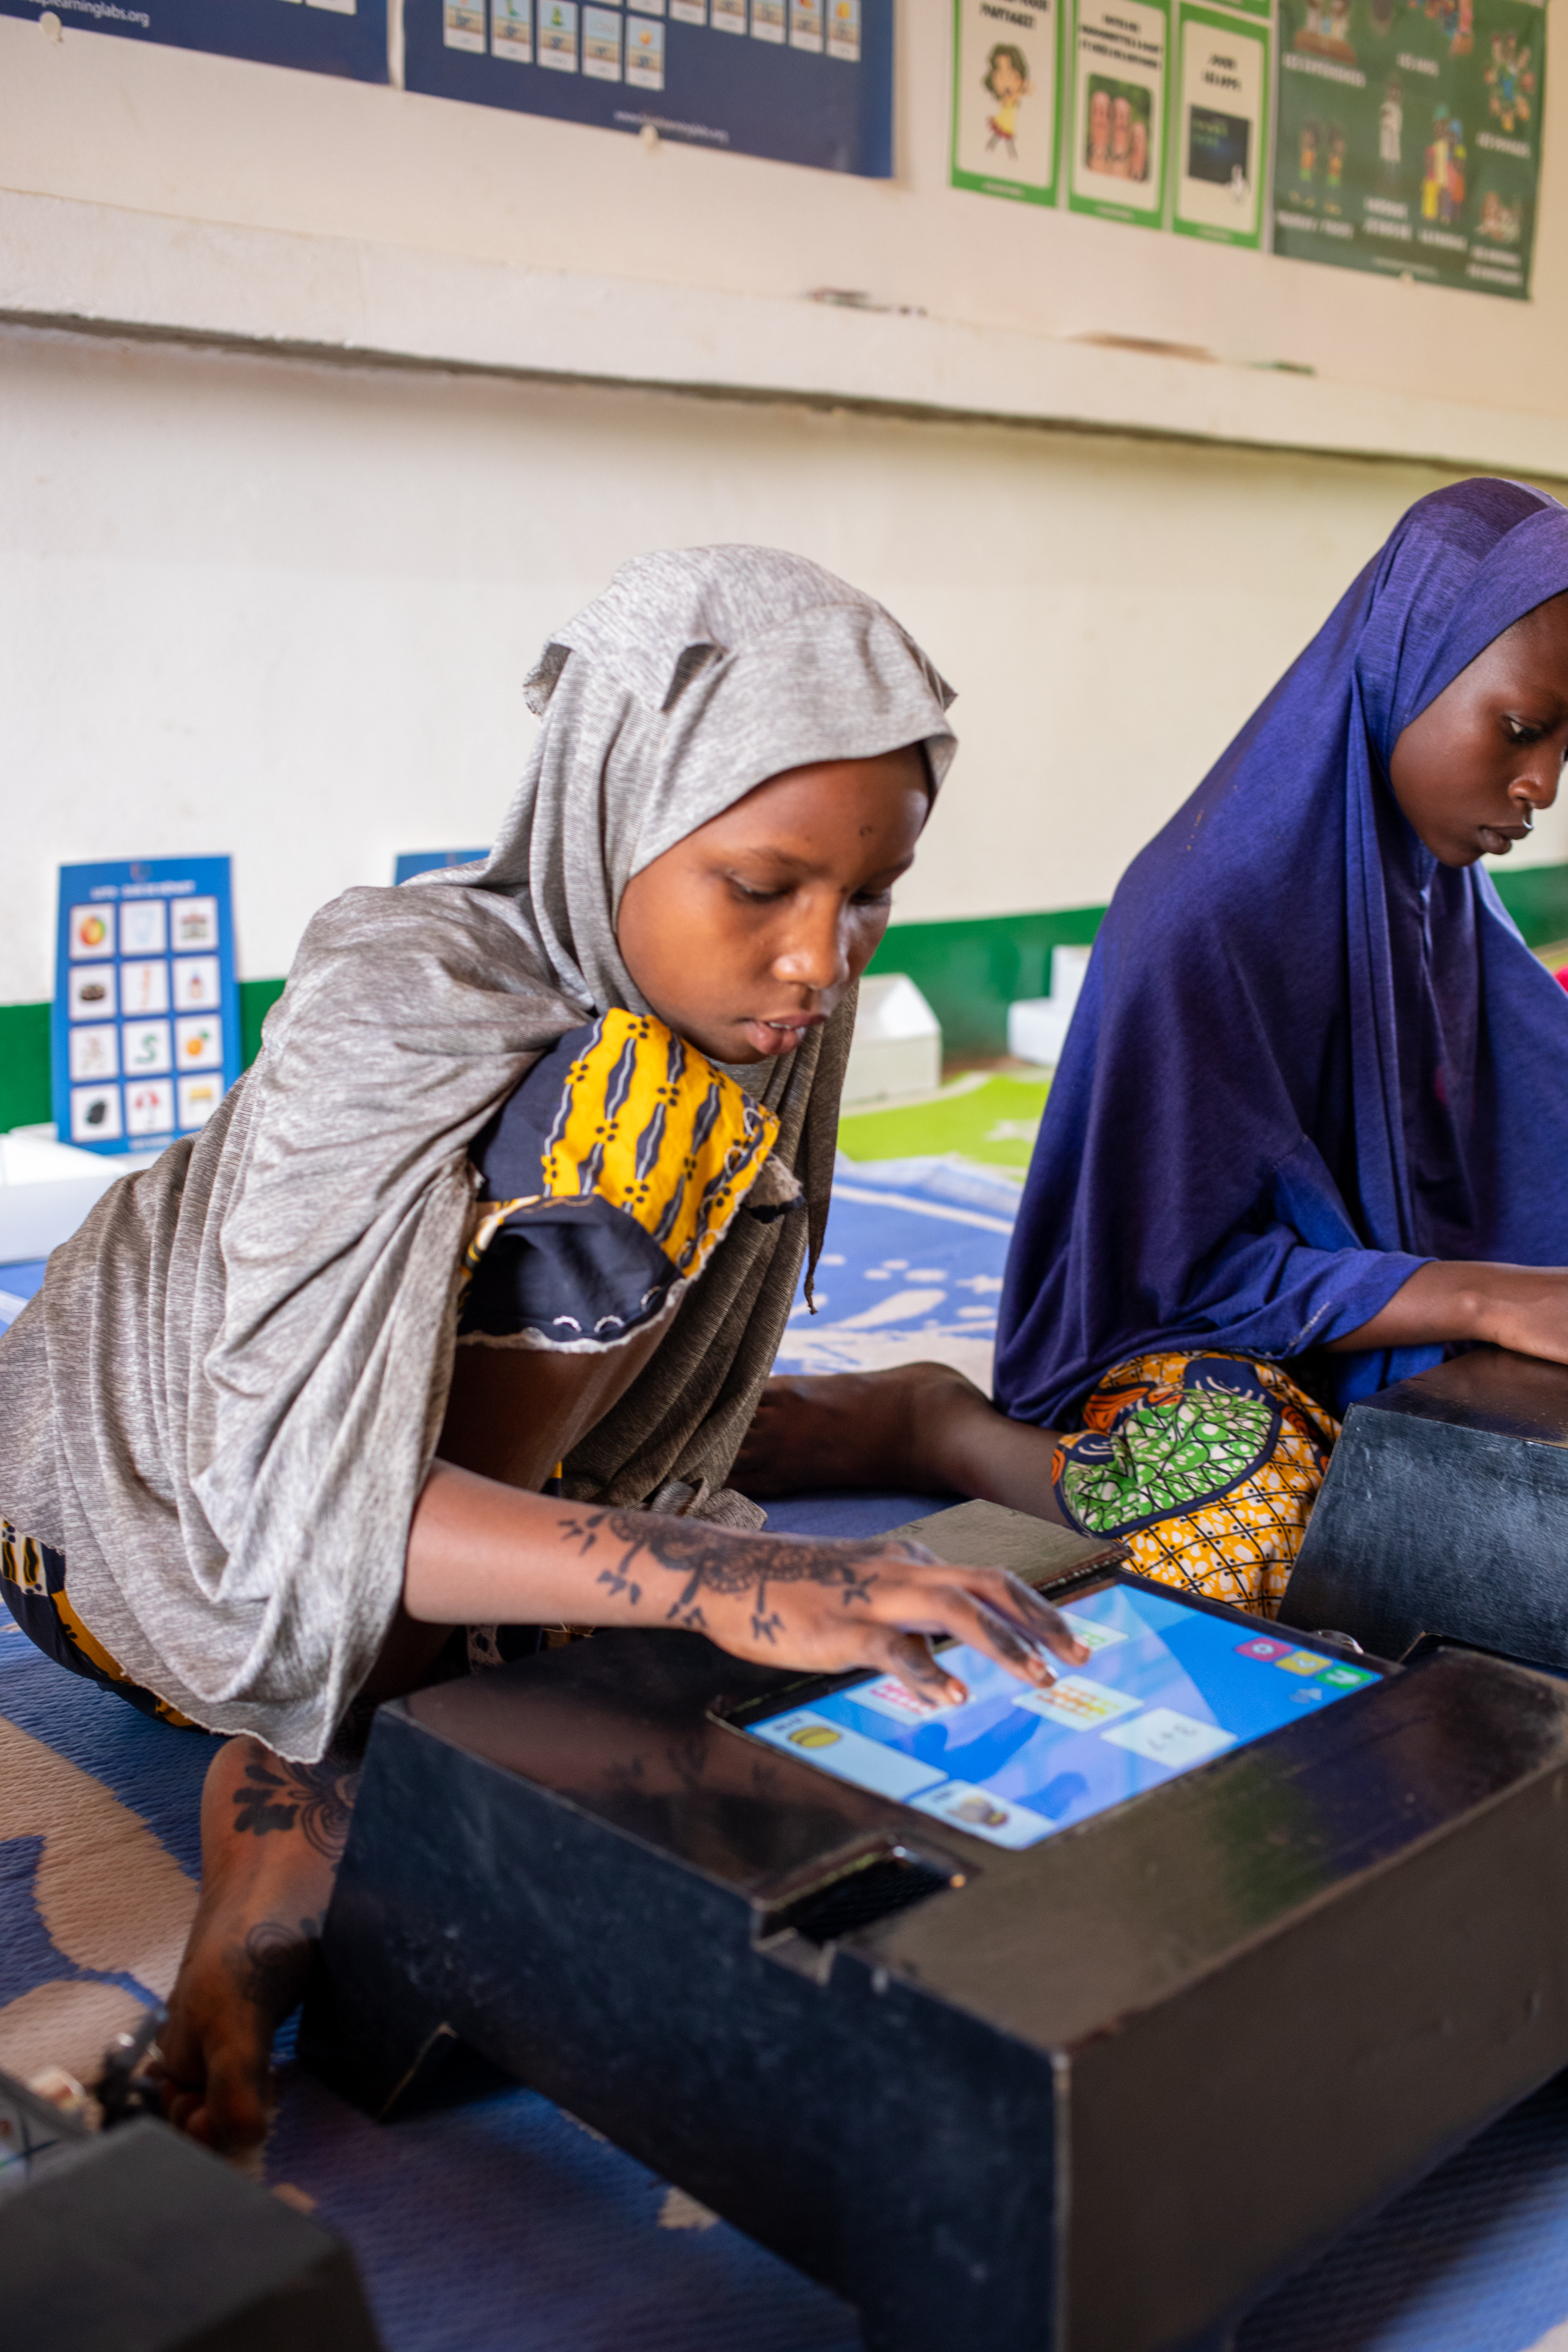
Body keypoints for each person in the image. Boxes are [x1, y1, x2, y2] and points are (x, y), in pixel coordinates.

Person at [0, 547, 1087, 2151]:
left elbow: (674, 1427)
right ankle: (272, 1903)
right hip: (136, 1522)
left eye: (868, 898)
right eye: (763, 885)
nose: (820, 957)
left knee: (641, 1562)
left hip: (453, 1471)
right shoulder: (400, 998)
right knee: (632, 1177)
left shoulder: (754, 1012)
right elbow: (284, 1511)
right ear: (612, 815)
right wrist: (752, 1581)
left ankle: (907, 1423)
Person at [738, 480, 1568, 1617]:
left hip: (1387, 1314)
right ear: (1408, 669)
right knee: (1255, 1531)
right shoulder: (1209, 916)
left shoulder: (1442, 891)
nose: (1544, 787)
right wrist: (1477, 1299)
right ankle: (940, 1427)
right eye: (1523, 731)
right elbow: (1167, 1280)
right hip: (1196, 1347)